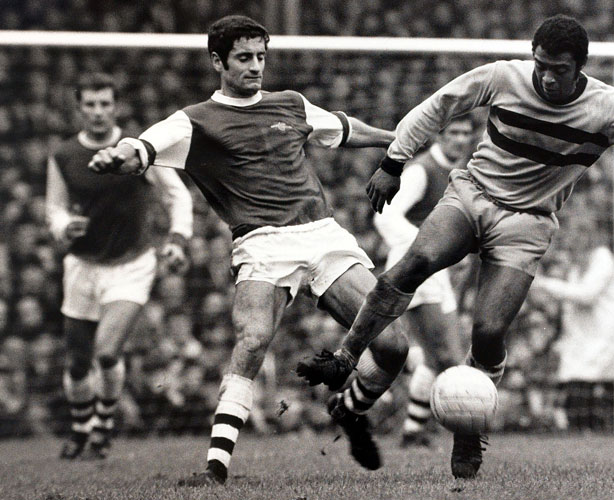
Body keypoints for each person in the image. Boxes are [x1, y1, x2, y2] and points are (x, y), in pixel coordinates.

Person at [297, 14, 614, 479]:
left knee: (487, 333)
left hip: (527, 223)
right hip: (472, 195)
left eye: (559, 69)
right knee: (415, 262)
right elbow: (439, 105)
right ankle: (345, 358)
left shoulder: (606, 107)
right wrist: (394, 160)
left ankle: (468, 431)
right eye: (540, 63)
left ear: (580, 67)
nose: (546, 75)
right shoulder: (503, 76)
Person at [88, 15, 409, 486]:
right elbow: (142, 147)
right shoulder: (194, 120)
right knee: (254, 340)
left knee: (393, 345)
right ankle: (215, 469)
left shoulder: (290, 104)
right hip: (262, 243)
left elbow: (342, 128)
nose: (256, 66)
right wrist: (119, 156)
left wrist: (400, 141)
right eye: (244, 58)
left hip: (322, 234)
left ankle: (349, 409)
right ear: (218, 62)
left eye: (261, 56)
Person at [46, 73, 193, 459]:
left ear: (116, 107)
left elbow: (177, 195)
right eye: (90, 105)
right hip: (82, 264)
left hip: (131, 263)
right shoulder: (64, 155)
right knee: (78, 362)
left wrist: (177, 239)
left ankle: (103, 426)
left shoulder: (137, 150)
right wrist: (64, 226)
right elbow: (54, 208)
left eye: (105, 104)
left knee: (106, 352)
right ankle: (81, 428)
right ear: (78, 109)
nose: (98, 112)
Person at [371, 115, 474, 446]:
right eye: (453, 133)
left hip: (436, 267)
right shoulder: (421, 170)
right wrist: (428, 245)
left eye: (466, 134)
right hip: (418, 265)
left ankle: (413, 431)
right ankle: (467, 433)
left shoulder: (460, 173)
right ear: (439, 136)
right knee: (449, 354)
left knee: (434, 356)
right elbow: (384, 216)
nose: (460, 139)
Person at [529, 221, 614, 432]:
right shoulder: (578, 262)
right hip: (580, 343)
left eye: (578, 232)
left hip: (601, 342)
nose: (571, 239)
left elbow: (586, 295)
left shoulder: (602, 258)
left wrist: (544, 284)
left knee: (592, 412)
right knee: (576, 409)